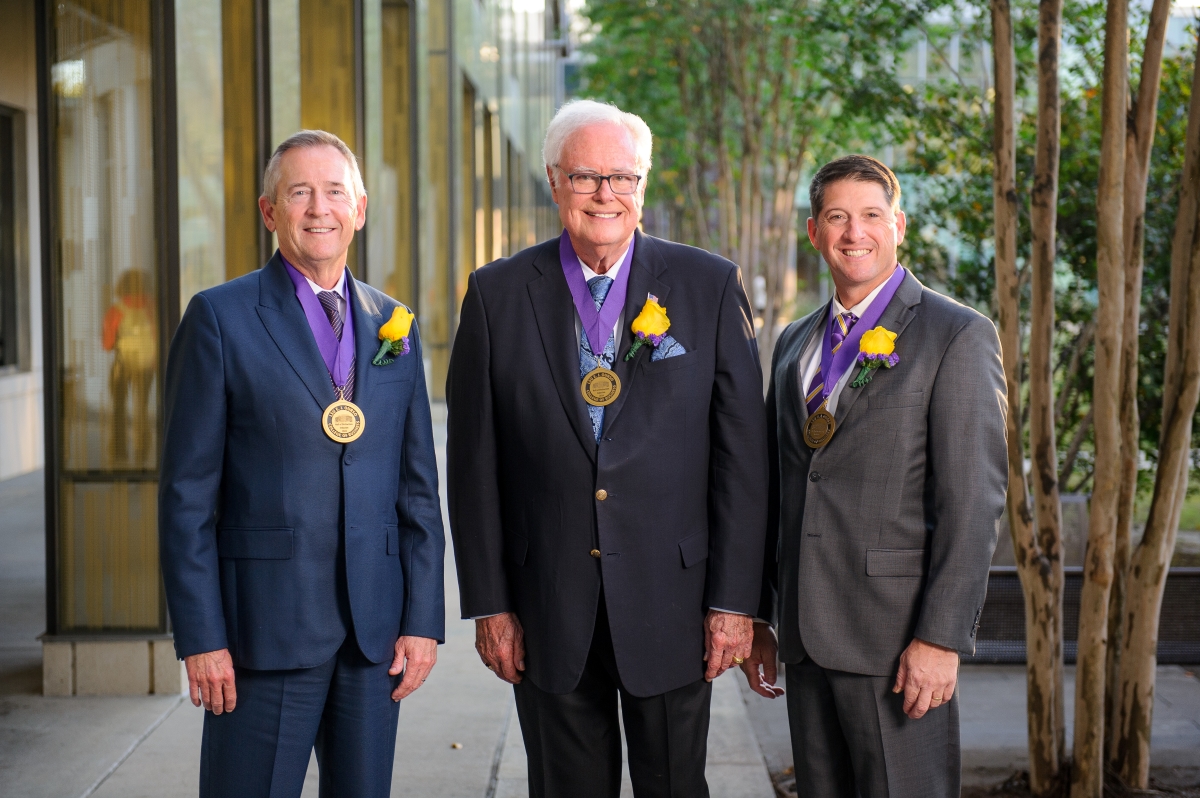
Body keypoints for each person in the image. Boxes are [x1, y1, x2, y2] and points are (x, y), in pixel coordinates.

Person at [446, 99, 768, 798]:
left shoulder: (709, 286)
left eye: (622, 178)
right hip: (546, 606)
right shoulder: (496, 294)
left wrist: (736, 601)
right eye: (587, 176)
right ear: (554, 181)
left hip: (676, 603)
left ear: (643, 186)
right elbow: (473, 468)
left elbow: (742, 461)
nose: (605, 195)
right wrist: (490, 605)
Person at [159, 129, 444, 798]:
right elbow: (187, 497)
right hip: (262, 635)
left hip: (373, 639)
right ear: (269, 211)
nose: (320, 208)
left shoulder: (393, 324)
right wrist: (202, 637)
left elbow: (418, 491)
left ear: (361, 208)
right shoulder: (219, 318)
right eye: (299, 192)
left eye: (335, 192)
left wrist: (421, 620)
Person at [742, 154, 1007, 797]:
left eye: (870, 216)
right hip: (805, 636)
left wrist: (941, 639)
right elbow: (779, 488)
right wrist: (760, 618)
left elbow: (973, 500)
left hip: (897, 642)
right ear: (814, 232)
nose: (853, 233)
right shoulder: (793, 342)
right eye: (837, 217)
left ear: (899, 225)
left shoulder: (957, 335)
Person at [103, 268, 156, 466]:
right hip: (146, 366)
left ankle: (119, 453)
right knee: (141, 408)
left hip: (123, 366)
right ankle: (142, 452)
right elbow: (158, 337)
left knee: (118, 407)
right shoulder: (151, 307)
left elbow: (107, 345)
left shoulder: (116, 310)